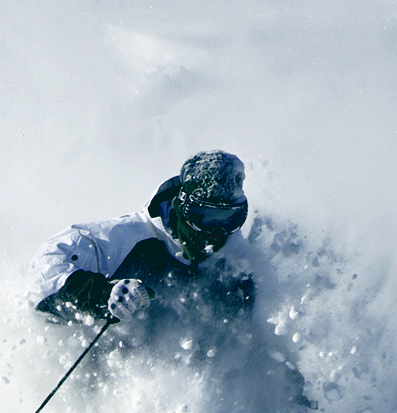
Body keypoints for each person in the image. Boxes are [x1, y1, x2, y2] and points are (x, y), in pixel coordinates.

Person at [28, 150, 315, 410]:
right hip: (92, 378)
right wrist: (101, 294)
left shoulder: (240, 272)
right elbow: (47, 269)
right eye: (205, 216)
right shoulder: (131, 238)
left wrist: (292, 399)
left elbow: (259, 348)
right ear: (183, 207)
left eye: (229, 218)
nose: (215, 231)